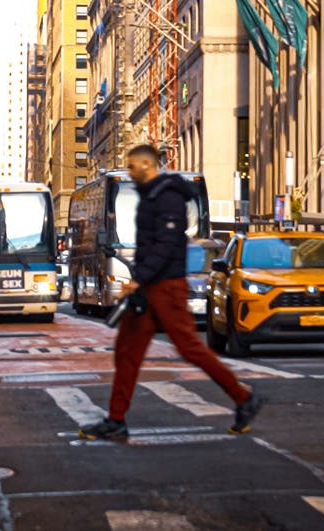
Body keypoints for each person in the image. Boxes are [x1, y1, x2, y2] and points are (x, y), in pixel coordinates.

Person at [80, 145, 264, 441]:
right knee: (126, 352)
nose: (129, 171)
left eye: (132, 165)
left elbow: (166, 245)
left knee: (189, 348)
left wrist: (137, 279)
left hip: (166, 288)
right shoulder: (153, 195)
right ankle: (116, 420)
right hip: (151, 288)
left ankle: (243, 397)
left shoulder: (168, 197)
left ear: (146, 164)